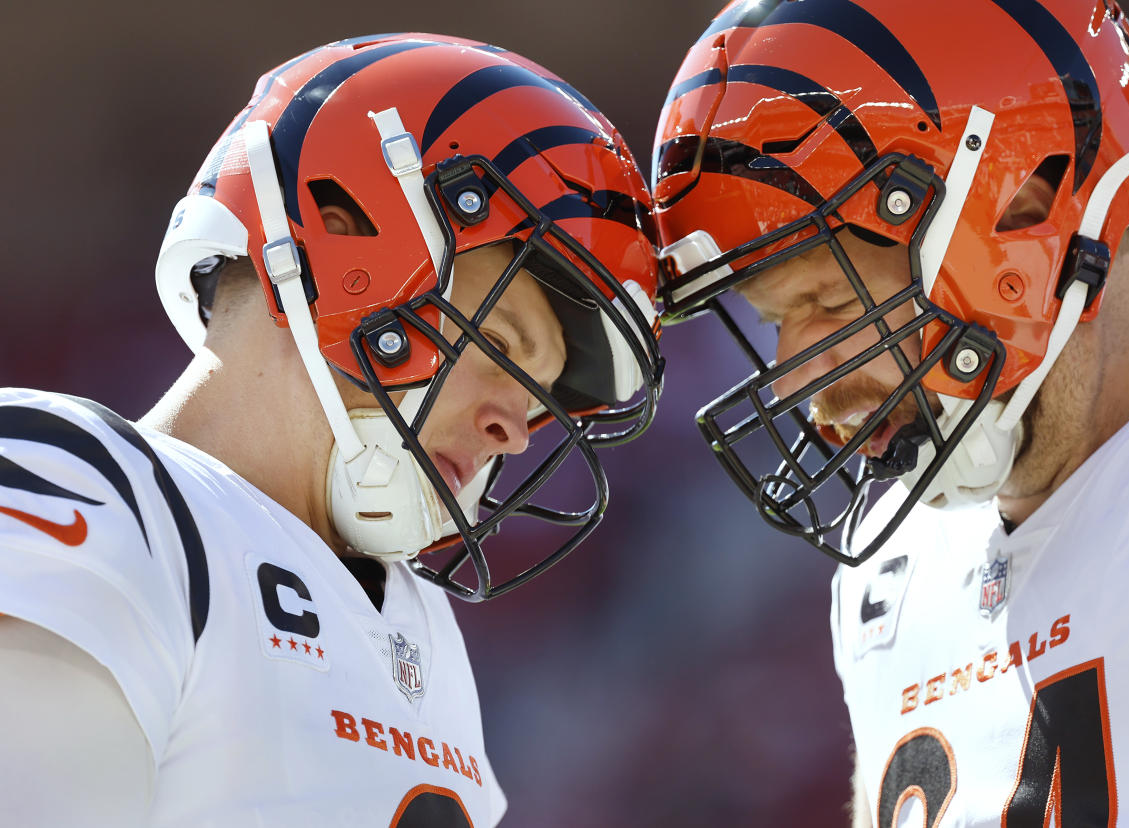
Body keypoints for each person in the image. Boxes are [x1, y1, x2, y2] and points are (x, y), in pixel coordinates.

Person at [0, 33, 662, 825]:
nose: (515, 432)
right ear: (340, 237)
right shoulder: (75, 480)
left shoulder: (422, 626)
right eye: (499, 347)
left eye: (539, 397)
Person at [652, 0, 1129, 824]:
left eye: (827, 299)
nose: (791, 377)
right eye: (774, 320)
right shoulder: (888, 576)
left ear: (1025, 209)